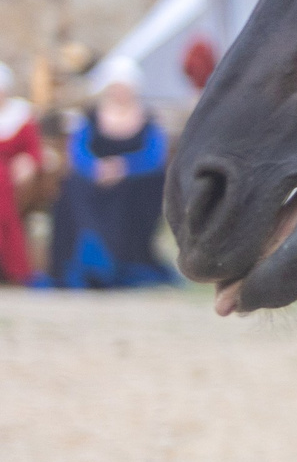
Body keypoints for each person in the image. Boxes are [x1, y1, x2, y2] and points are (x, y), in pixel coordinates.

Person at [46, 56, 178, 289]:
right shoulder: (91, 117)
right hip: (93, 183)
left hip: (134, 185)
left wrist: (124, 167)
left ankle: (123, 263)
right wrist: (96, 168)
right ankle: (87, 261)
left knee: (138, 192)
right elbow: (78, 150)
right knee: (73, 187)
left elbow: (154, 156)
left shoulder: (147, 119)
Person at [0, 62, 41, 286]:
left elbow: (34, 151)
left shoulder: (21, 117)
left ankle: (14, 267)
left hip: (10, 178)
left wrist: (27, 162)